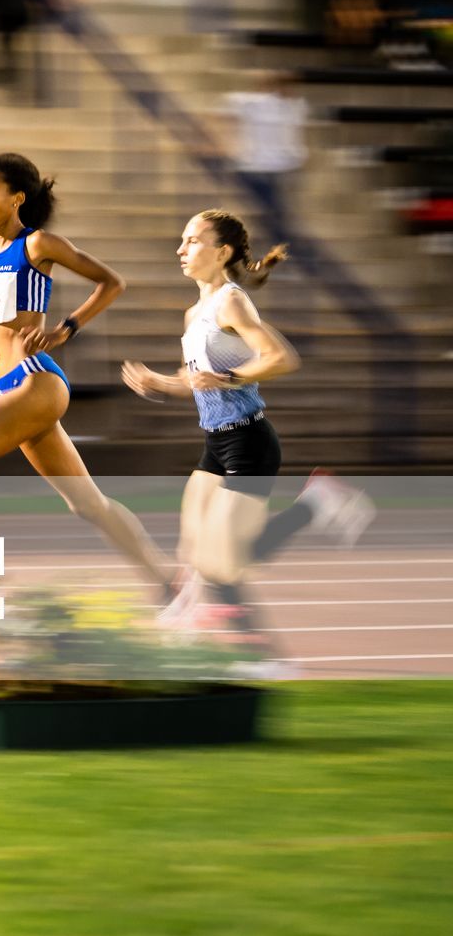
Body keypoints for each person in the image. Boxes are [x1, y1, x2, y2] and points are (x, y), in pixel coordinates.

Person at [0, 152, 174, 630]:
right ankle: (171, 585)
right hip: (10, 384)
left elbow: (111, 283)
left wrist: (66, 329)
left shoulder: (39, 245)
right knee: (86, 503)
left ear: (17, 197)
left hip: (37, 381)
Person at [121, 211, 374, 669]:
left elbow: (281, 357)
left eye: (193, 241)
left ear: (222, 253)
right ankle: (211, 628)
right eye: (182, 241)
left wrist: (232, 376)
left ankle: (264, 654)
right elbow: (199, 379)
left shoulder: (231, 303)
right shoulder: (193, 313)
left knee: (223, 562)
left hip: (249, 442)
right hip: (215, 444)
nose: (181, 249)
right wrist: (162, 383)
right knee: (196, 554)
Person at [225, 71, 307, 247]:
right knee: (271, 207)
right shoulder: (253, 103)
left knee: (274, 207)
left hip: (281, 165)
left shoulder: (295, 106)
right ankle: (277, 239)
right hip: (257, 165)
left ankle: (278, 239)